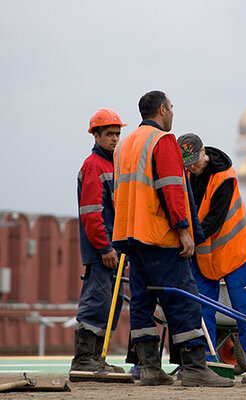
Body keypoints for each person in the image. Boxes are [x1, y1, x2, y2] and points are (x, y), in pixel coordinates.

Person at [112, 90, 233, 387]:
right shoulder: (162, 141)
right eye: (172, 108)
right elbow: (171, 188)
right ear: (163, 109)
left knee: (142, 302)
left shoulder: (125, 145)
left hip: (130, 235)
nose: (173, 113)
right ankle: (194, 368)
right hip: (158, 236)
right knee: (182, 299)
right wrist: (183, 229)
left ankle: (150, 367)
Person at [176, 133, 246, 384]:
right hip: (205, 254)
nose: (191, 167)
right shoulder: (185, 175)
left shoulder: (224, 178)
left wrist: (186, 239)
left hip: (235, 250)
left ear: (203, 153)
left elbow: (213, 220)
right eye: (186, 163)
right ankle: (205, 365)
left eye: (194, 161)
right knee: (200, 308)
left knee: (244, 309)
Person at [71, 108, 127, 375]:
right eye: (109, 134)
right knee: (97, 301)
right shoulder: (94, 165)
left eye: (117, 134)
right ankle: (84, 360)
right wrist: (104, 247)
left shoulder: (113, 164)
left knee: (110, 304)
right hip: (102, 250)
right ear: (96, 135)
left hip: (114, 249)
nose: (115, 139)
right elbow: (91, 213)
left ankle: (97, 359)